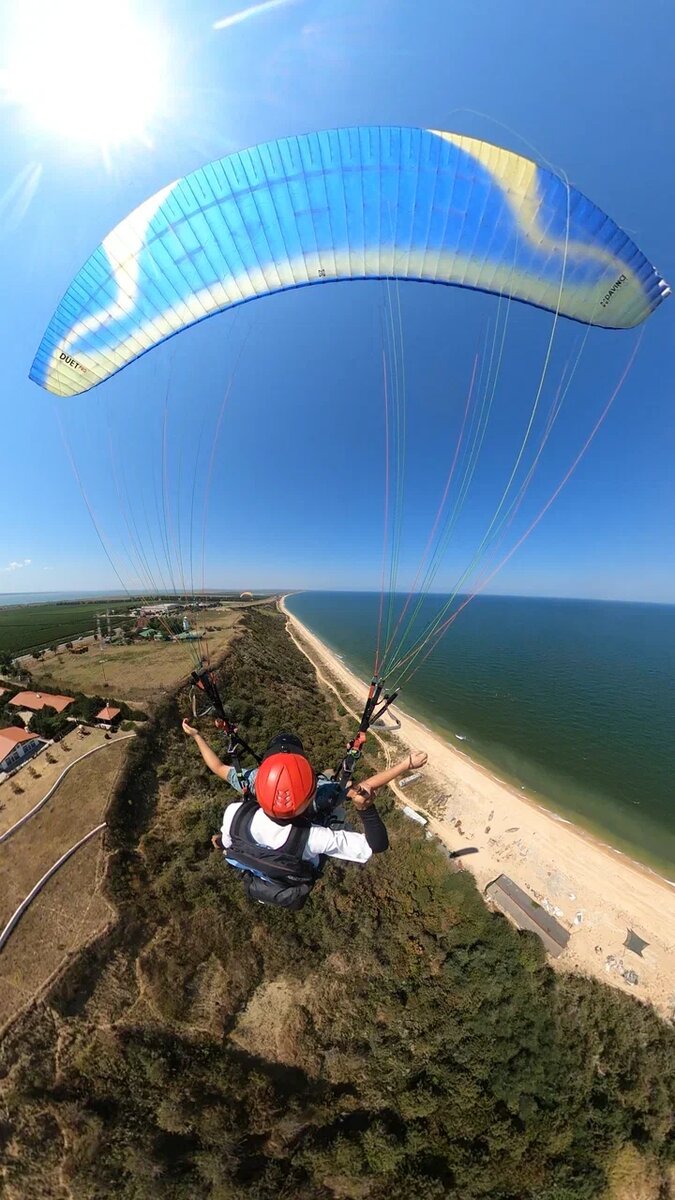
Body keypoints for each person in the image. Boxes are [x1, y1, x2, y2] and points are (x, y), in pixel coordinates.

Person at [181, 720, 427, 909]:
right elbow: (375, 839)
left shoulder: (235, 811)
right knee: (336, 795)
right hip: (289, 874)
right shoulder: (315, 834)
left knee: (226, 839)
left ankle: (223, 841)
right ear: (310, 792)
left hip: (261, 879)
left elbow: (218, 767)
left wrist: (197, 736)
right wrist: (403, 767)